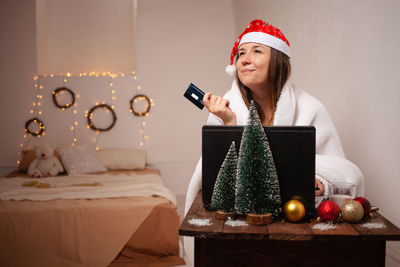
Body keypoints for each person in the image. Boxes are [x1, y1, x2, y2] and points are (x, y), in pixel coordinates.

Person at [184, 19, 364, 263]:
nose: (245, 59)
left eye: (257, 51)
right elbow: (219, 177)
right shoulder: (226, 107)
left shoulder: (310, 108)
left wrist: (319, 180)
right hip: (239, 223)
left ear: (278, 61)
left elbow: (341, 167)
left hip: (295, 223)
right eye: (241, 53)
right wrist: (230, 123)